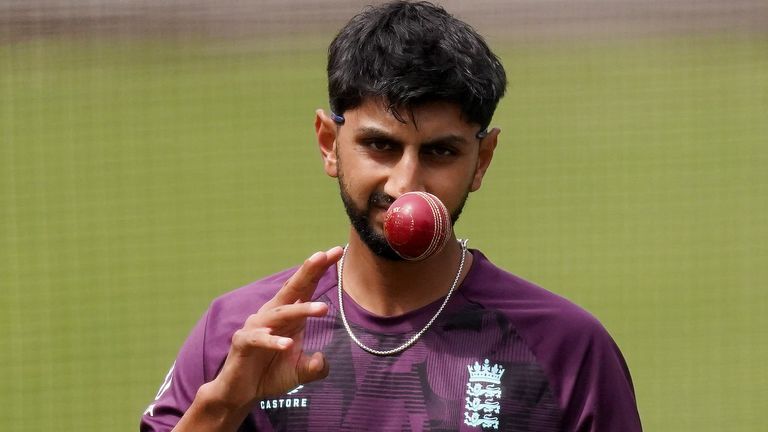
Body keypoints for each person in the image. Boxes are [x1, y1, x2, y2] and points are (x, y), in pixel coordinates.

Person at [140, 1, 642, 431]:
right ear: (329, 143)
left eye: (440, 152)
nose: (405, 185)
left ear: (482, 160)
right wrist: (224, 406)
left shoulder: (565, 349)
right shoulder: (242, 333)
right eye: (380, 146)